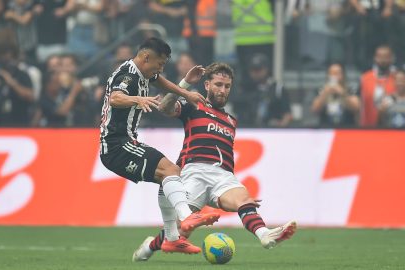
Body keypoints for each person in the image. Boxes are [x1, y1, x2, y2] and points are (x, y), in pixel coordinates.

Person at [132, 62, 297, 262]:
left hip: (224, 176)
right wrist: (184, 84)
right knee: (177, 233)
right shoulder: (194, 104)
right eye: (218, 84)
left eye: (227, 86)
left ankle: (264, 234)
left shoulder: (231, 120)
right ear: (207, 85)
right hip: (194, 172)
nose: (223, 90)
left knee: (244, 200)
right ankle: (150, 246)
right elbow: (165, 107)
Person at [99, 37, 219, 255]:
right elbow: (115, 98)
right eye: (160, 63)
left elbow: (162, 81)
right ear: (146, 57)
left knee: (170, 175)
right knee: (171, 171)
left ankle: (172, 239)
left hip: (126, 143)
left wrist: (186, 91)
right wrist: (136, 99)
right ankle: (186, 217)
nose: (161, 68)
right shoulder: (127, 75)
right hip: (116, 145)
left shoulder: (145, 72)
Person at [311, 63, 360, 127]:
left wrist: (343, 94)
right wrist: (325, 94)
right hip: (326, 129)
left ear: (343, 75)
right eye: (331, 74)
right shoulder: (321, 90)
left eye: (336, 74)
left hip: (347, 128)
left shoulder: (350, 90)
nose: (334, 76)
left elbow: (356, 108)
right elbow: (314, 109)